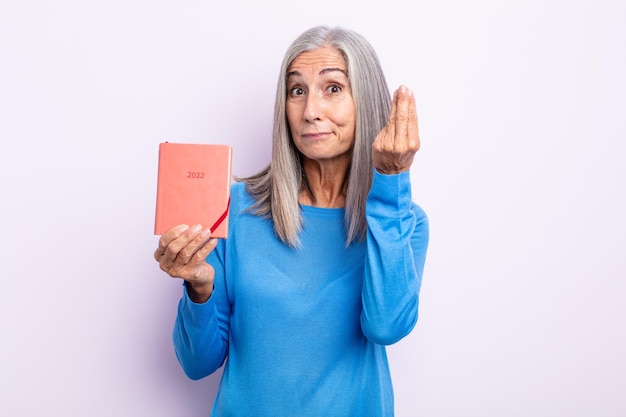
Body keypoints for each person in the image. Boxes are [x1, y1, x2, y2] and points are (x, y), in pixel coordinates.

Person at [154, 25, 429, 417]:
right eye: (297, 90)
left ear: (366, 102)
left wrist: (390, 181)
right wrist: (199, 288)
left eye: (332, 88)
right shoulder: (233, 208)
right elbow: (197, 364)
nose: (310, 110)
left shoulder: (403, 220)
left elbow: (385, 326)